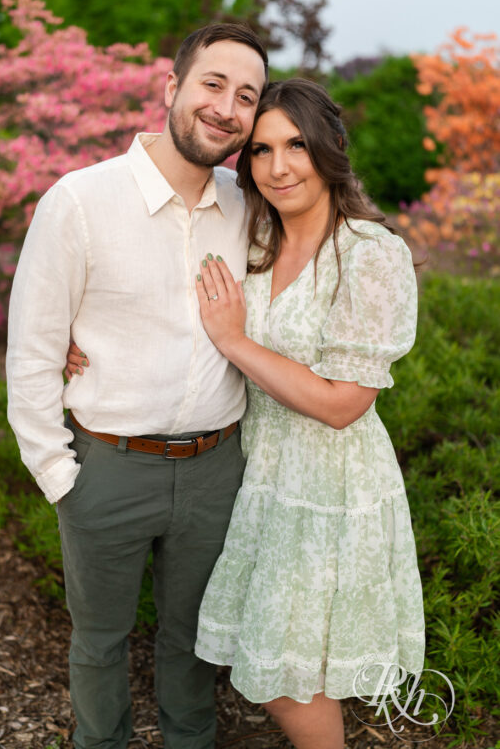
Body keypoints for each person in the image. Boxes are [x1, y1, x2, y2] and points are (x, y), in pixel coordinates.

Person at [6, 23, 268, 749]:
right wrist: (60, 474)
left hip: (216, 468)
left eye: (246, 96)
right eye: (213, 84)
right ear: (171, 89)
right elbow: (29, 353)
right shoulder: (80, 202)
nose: (227, 107)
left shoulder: (248, 206)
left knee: (193, 645)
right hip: (106, 469)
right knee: (99, 645)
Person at [190, 79, 425, 749]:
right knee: (287, 673)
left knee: (289, 684)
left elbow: (344, 404)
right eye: (261, 151)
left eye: (296, 145)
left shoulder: (367, 253)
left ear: (329, 148)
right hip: (264, 479)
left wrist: (235, 341)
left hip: (331, 491)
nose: (279, 166)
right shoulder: (253, 248)